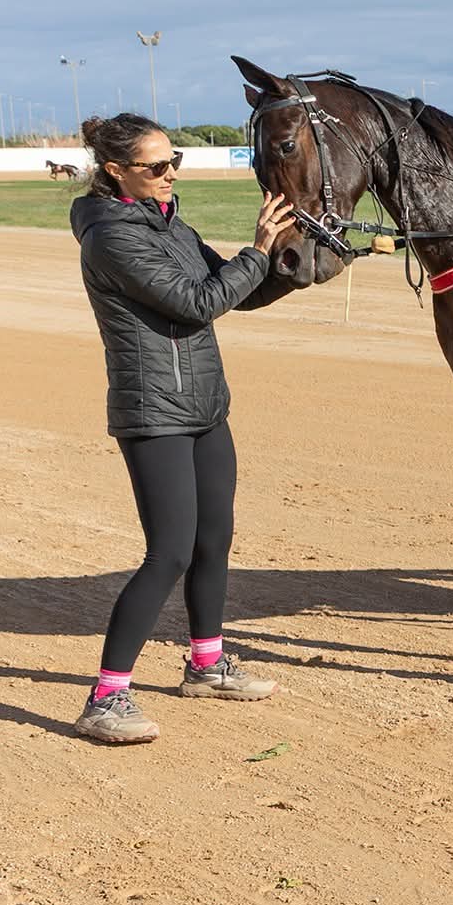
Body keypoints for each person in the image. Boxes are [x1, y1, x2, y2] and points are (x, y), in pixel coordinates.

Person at [71, 113, 296, 745]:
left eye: (175, 162)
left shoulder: (172, 226)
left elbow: (238, 291)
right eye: (157, 166)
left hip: (204, 406)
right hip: (154, 412)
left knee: (213, 540)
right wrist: (255, 251)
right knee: (169, 552)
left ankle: (206, 665)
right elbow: (197, 303)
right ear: (116, 171)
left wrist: (291, 260)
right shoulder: (111, 237)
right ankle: (105, 698)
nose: (171, 174)